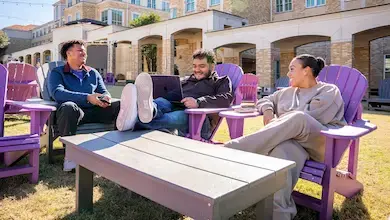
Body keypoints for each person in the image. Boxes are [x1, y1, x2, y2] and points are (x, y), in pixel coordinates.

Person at [224, 54, 346, 220]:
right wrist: (268, 111)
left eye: (292, 69)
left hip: (323, 144)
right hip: (294, 143)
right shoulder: (287, 92)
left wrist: (282, 121)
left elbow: (314, 118)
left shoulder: (328, 91)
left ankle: (233, 151)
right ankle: (278, 214)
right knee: (280, 155)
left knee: (298, 118)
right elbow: (265, 100)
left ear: (306, 71)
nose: (288, 74)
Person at [116, 49, 233, 139]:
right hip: (175, 105)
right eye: (195, 66)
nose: (197, 70)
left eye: (202, 66)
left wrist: (198, 102)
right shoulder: (187, 81)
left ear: (212, 66)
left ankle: (132, 120)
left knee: (169, 118)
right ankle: (150, 109)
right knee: (162, 101)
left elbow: (225, 99)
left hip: (198, 118)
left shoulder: (221, 81)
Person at [48, 40, 120, 172]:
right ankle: (70, 156)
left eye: (84, 50)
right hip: (74, 114)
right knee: (68, 107)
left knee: (119, 105)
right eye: (80, 50)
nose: (84, 52)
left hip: (95, 111)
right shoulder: (57, 73)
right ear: (69, 53)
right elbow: (57, 93)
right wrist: (87, 97)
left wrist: (105, 98)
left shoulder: (93, 73)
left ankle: (115, 150)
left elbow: (103, 91)